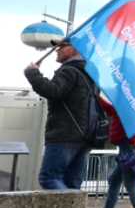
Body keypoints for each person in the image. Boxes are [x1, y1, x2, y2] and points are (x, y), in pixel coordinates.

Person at [24, 37, 95, 191]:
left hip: (65, 134)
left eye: (62, 46)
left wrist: (33, 74)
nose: (57, 49)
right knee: (72, 183)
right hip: (85, 135)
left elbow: (54, 91)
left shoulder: (69, 70)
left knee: (49, 178)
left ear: (75, 49)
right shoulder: (89, 73)